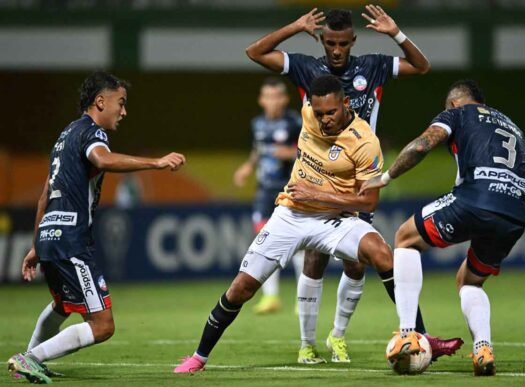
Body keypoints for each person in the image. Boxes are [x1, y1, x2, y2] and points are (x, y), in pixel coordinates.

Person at [246, 6, 461, 363]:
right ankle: (306, 344)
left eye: (342, 43)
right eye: (330, 42)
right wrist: (296, 26)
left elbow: (422, 66)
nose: (335, 50)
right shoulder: (305, 66)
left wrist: (396, 33)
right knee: (314, 259)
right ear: (323, 40)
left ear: (352, 41)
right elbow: (255, 52)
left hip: (360, 178)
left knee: (356, 264)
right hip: (317, 175)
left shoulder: (373, 66)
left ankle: (338, 337)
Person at [174, 75, 418, 374]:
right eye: (319, 114)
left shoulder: (365, 142)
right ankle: (198, 357)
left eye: (331, 112)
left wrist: (316, 193)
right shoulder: (305, 113)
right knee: (241, 288)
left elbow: (368, 203)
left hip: (334, 219)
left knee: (381, 253)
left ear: (345, 103)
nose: (325, 120)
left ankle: (415, 333)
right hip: (290, 215)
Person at [7, 71, 186, 384]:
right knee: (103, 325)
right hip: (71, 240)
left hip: (51, 234)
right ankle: (30, 358)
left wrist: (37, 244)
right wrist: (156, 163)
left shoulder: (64, 136)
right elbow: (102, 160)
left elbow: (44, 197)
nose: (124, 111)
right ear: (100, 101)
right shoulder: (92, 133)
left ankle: (30, 360)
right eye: (121, 103)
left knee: (63, 305)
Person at [359, 79, 525, 376]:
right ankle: (483, 347)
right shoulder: (513, 127)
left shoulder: (457, 114)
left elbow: (423, 144)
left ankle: (408, 333)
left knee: (405, 238)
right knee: (469, 281)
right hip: (514, 214)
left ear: (454, 103)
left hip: (476, 198)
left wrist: (385, 177)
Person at [233, 77, 304, 314]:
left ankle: (302, 298)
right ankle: (271, 297)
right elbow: (258, 150)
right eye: (268, 97)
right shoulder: (258, 124)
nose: (273, 101)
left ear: (284, 99)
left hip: (290, 190)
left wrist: (291, 153)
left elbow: (311, 151)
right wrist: (247, 167)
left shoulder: (296, 122)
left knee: (297, 244)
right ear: (261, 100)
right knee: (263, 241)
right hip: (264, 190)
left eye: (277, 96)